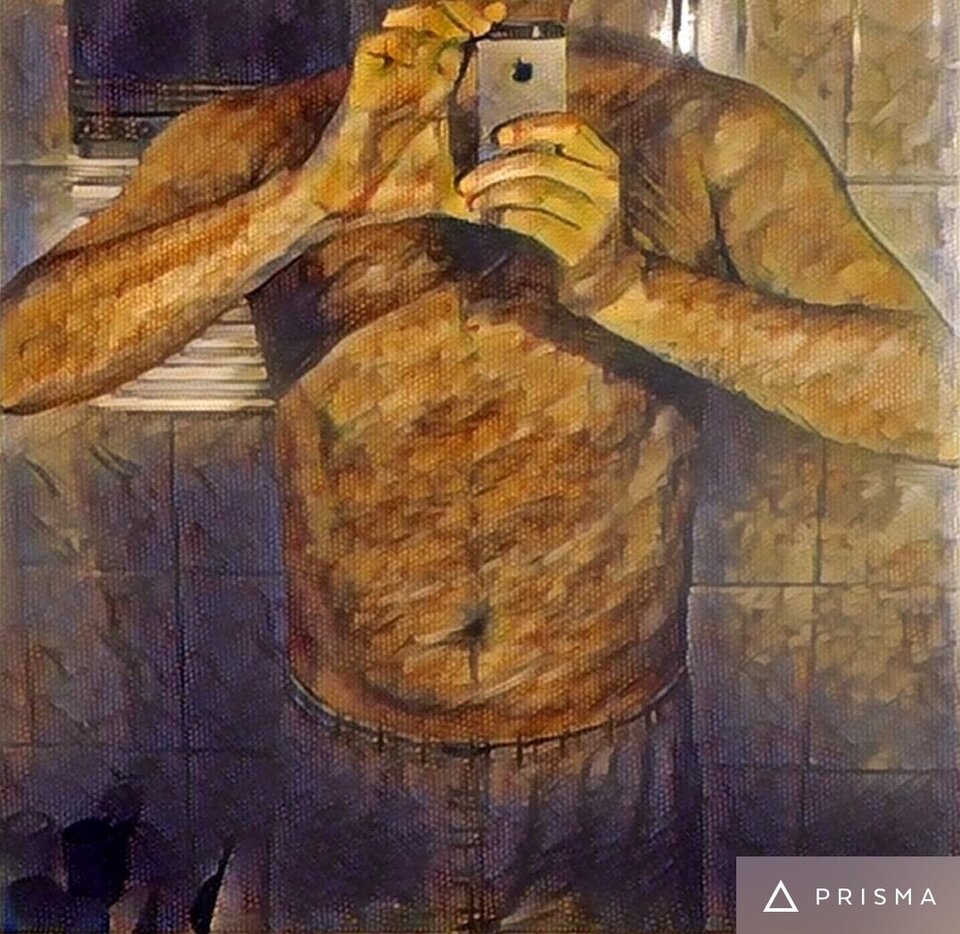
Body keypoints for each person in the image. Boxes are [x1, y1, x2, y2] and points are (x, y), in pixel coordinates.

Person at [1, 1, 955, 930]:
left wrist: (625, 286)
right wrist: (309, 201)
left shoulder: (700, 129)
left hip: (607, 764)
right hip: (350, 764)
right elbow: (18, 361)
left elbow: (936, 404)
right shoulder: (274, 137)